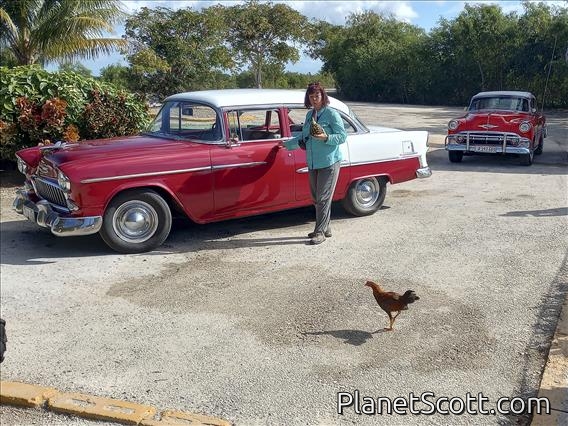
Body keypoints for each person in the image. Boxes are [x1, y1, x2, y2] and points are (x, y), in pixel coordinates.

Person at [282, 82, 347, 245]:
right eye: (311, 96)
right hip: (312, 162)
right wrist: (286, 144)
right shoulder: (310, 115)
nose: (314, 99)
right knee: (316, 197)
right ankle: (326, 227)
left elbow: (342, 136)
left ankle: (319, 232)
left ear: (323, 96)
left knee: (323, 198)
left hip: (329, 162)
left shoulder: (331, 114)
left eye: (317, 96)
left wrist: (326, 138)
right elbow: (304, 137)